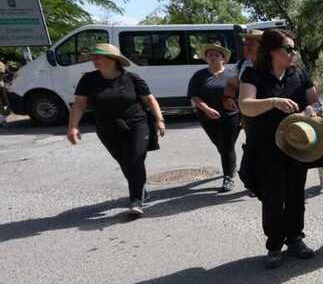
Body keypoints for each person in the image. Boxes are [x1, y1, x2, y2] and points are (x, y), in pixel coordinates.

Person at [238, 29, 321, 268]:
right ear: (273, 51)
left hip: (296, 145)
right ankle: (274, 244)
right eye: (288, 48)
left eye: (294, 48)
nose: (293, 53)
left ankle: (295, 238)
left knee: (296, 195)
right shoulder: (254, 75)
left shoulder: (299, 74)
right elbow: (246, 106)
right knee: (273, 199)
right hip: (266, 148)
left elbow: (315, 102)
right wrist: (273, 102)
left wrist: (311, 111)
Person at [66, 43, 166, 216]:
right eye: (93, 57)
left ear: (113, 60)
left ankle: (136, 200)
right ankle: (140, 188)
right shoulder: (88, 79)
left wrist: (160, 119)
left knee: (135, 159)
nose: (94, 60)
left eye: (99, 57)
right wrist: (73, 127)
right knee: (125, 162)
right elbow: (80, 103)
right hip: (107, 127)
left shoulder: (132, 78)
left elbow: (150, 100)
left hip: (136, 124)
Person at [188, 42, 240, 191]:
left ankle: (228, 177)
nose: (212, 57)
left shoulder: (232, 75)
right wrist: (206, 108)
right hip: (207, 117)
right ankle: (231, 164)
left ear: (223, 58)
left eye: (216, 54)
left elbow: (240, 96)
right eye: (209, 55)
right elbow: (194, 96)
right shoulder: (199, 75)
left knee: (227, 146)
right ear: (206, 58)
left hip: (231, 116)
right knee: (221, 145)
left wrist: (243, 116)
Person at [222, 30, 262, 114]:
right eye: (245, 45)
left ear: (262, 47)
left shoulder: (273, 64)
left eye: (251, 45)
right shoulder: (240, 64)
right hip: (248, 113)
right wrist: (227, 98)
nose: (246, 48)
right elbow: (232, 84)